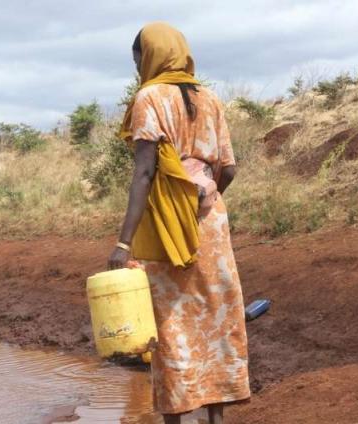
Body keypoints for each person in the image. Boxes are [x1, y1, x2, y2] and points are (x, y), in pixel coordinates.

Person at [105, 22, 250, 424]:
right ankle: (216, 418)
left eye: (138, 59)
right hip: (212, 224)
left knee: (171, 325)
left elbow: (145, 173)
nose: (137, 68)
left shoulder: (148, 97)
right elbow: (229, 170)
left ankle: (175, 419)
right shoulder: (211, 98)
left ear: (149, 56)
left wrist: (123, 244)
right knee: (215, 316)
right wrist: (202, 197)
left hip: (168, 227)